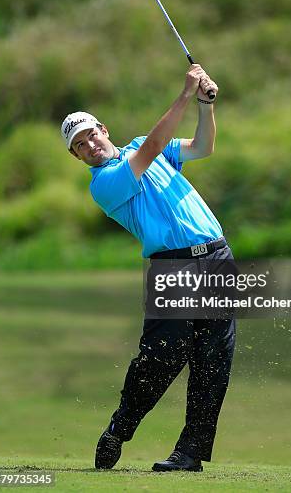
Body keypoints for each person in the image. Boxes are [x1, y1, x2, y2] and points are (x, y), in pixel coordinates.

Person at [60, 65, 236, 473]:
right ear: (76, 156)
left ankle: (189, 453)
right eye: (80, 146)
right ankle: (120, 428)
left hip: (218, 257)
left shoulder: (141, 146)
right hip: (172, 266)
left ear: (103, 129)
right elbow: (153, 148)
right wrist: (185, 94)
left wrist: (206, 107)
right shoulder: (104, 183)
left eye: (91, 135)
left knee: (214, 359)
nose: (90, 146)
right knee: (161, 358)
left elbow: (202, 148)